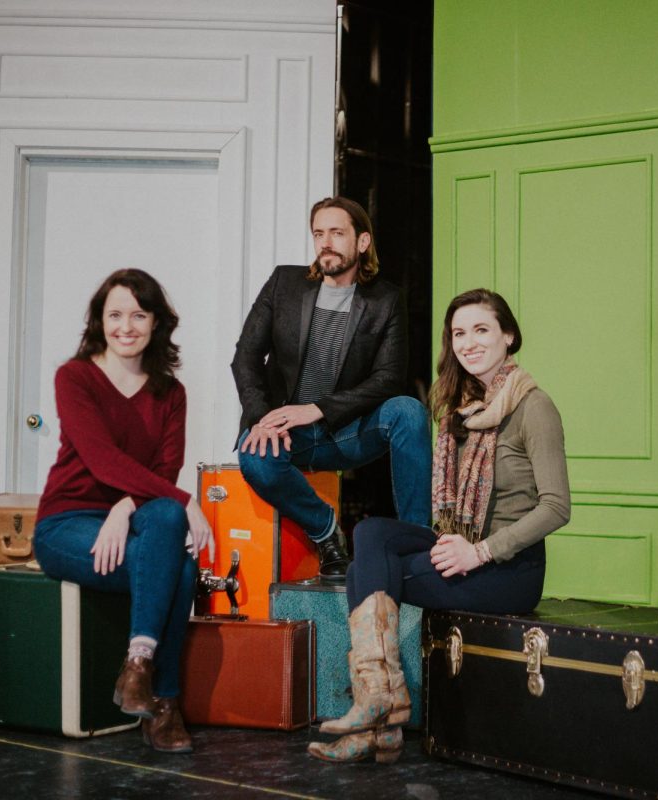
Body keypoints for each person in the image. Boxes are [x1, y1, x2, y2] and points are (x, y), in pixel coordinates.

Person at [307, 288, 571, 764]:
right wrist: (462, 547)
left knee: (364, 572)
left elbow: (556, 508)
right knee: (370, 535)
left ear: (509, 336)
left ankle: (378, 711)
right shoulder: (459, 411)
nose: (468, 342)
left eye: (481, 329)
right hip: (460, 545)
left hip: (508, 570)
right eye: (458, 333)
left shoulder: (535, 407)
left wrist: (481, 552)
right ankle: (379, 709)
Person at [34, 268, 215, 753]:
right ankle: (164, 703)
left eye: (138, 314)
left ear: (156, 323)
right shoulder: (74, 377)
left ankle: (137, 666)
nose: (126, 326)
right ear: (99, 320)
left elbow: (165, 467)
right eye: (115, 314)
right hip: (66, 524)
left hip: (130, 525)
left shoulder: (170, 392)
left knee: (166, 521)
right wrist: (183, 499)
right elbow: (101, 460)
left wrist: (125, 509)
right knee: (178, 567)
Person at [231, 197, 430, 582]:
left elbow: (389, 378)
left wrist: (318, 408)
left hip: (347, 432)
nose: (326, 242)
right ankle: (326, 533)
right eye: (319, 234)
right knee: (253, 456)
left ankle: (415, 546)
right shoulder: (283, 283)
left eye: (337, 233)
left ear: (362, 242)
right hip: (291, 434)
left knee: (408, 410)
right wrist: (259, 419)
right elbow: (246, 358)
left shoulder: (385, 300)